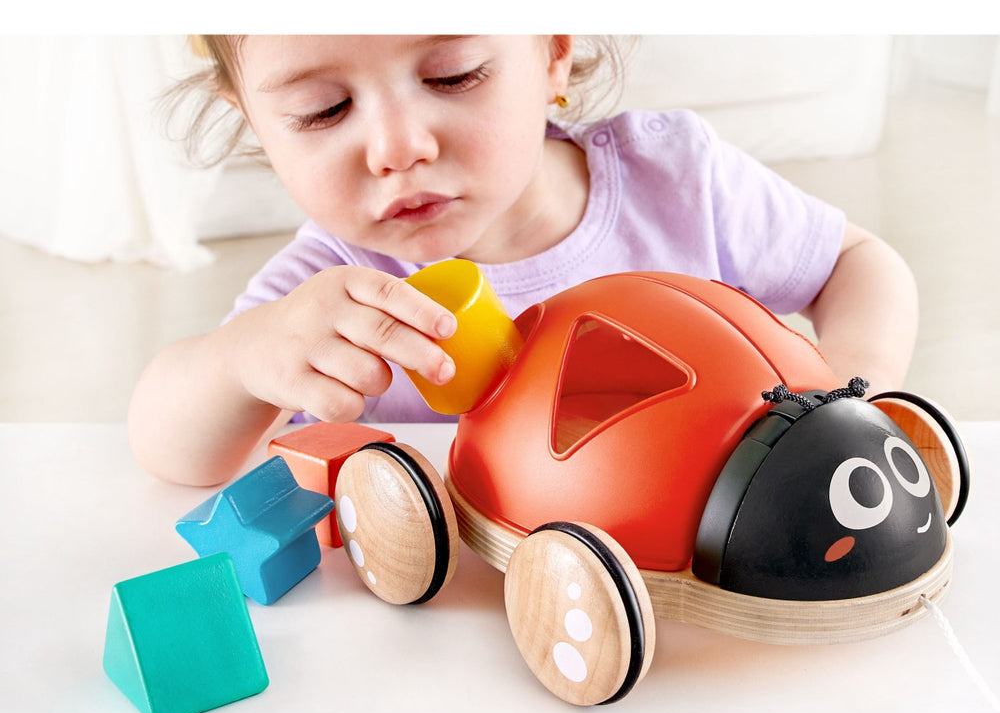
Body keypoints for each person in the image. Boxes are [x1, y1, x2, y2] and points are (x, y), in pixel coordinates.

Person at [128, 35, 918, 487]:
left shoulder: (676, 180)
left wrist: (857, 390)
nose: (398, 147)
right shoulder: (331, 297)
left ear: (551, 53)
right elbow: (173, 450)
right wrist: (244, 358)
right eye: (321, 111)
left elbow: (857, 263)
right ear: (255, 121)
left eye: (452, 75)